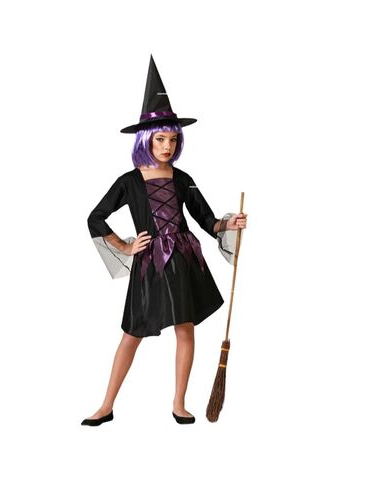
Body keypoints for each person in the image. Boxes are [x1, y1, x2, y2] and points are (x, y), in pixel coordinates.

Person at [81, 55, 247, 426]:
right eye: (160, 139)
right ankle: (106, 405)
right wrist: (126, 247)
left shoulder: (183, 178)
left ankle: (179, 403)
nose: (167, 146)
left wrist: (229, 223)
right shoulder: (129, 181)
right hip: (150, 266)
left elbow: (207, 221)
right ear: (146, 139)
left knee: (185, 329)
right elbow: (95, 217)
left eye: (173, 139)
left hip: (183, 261)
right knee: (131, 335)